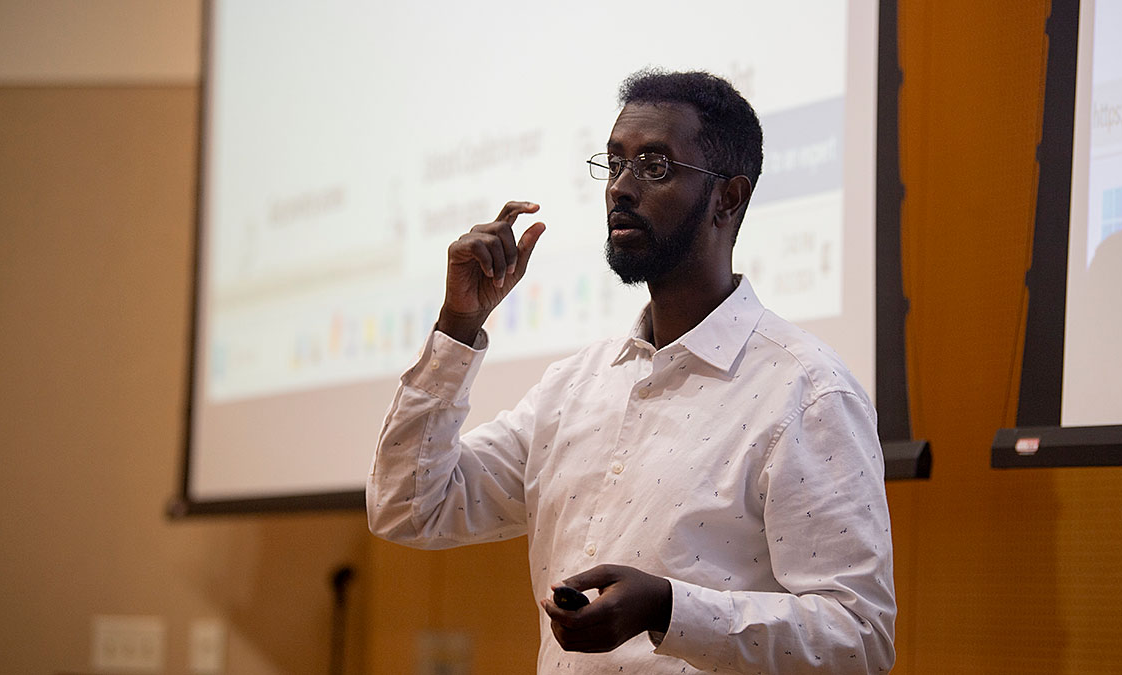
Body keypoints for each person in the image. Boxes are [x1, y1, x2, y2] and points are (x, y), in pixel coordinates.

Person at [368, 69, 896, 673]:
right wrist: (458, 324)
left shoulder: (806, 394)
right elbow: (408, 507)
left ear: (729, 197)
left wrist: (670, 609)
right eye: (615, 163)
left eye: (654, 166)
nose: (620, 187)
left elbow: (858, 640)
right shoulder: (573, 388)